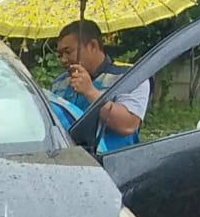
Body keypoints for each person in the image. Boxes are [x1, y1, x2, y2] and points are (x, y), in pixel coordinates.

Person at [52, 19, 148, 153]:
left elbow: (128, 125)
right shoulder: (60, 83)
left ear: (92, 46)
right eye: (60, 54)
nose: (63, 59)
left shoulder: (129, 76)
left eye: (68, 52)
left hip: (115, 163)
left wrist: (90, 92)